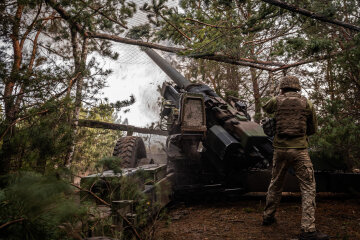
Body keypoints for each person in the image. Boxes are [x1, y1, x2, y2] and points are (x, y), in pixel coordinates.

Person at [261, 76, 329, 240]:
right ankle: (308, 229)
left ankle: (268, 217)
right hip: (300, 151)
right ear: (297, 88)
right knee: (308, 187)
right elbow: (313, 128)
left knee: (275, 183)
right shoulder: (307, 103)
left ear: (282, 88)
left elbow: (266, 108)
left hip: (280, 150)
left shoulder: (276, 100)